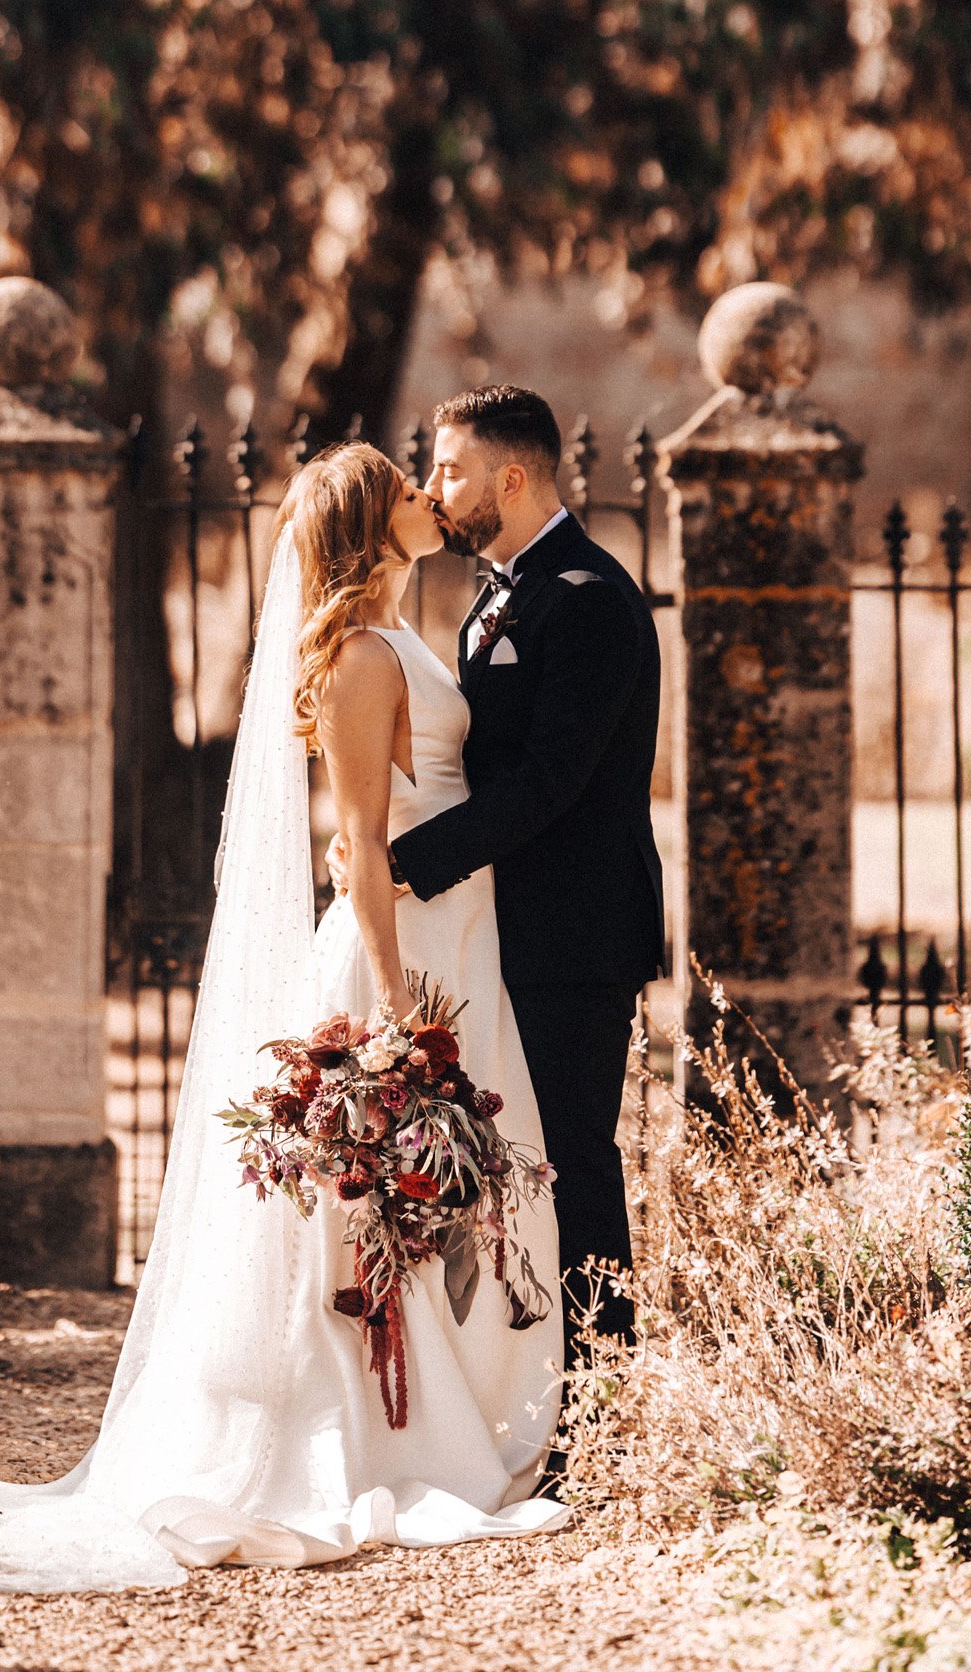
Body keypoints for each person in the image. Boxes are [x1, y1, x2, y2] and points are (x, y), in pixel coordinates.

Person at [0, 444, 567, 1589]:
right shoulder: (359, 657)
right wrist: (396, 1007)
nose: (426, 495)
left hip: (468, 937)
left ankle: (447, 1411)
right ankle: (373, 1432)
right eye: (408, 485)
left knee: (464, 1186)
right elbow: (356, 846)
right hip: (401, 955)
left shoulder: (405, 634)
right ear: (369, 521)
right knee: (358, 1220)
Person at [376, 385, 665, 1353]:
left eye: (450, 469)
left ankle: (603, 1392)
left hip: (575, 934)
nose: (433, 486)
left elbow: (549, 780)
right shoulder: (495, 598)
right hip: (504, 926)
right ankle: (521, 1377)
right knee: (515, 1161)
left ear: (510, 476)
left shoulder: (585, 599)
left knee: (574, 1160)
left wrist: (406, 864)